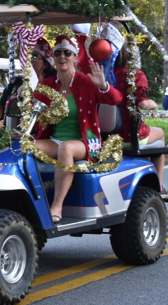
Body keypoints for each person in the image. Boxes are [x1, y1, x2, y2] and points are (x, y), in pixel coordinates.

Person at [33, 35, 122, 224]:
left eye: (67, 53)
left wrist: (103, 85)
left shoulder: (86, 82)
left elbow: (115, 100)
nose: (62, 57)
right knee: (25, 147)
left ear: (74, 57)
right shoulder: (47, 85)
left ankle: (57, 205)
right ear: (53, 58)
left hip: (84, 141)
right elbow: (32, 110)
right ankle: (31, 202)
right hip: (55, 140)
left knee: (65, 148)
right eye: (58, 53)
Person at [113, 51, 168, 194]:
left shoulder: (104, 74)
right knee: (160, 133)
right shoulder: (135, 75)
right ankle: (159, 186)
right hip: (129, 135)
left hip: (106, 137)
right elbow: (143, 104)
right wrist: (153, 104)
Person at [0, 37, 56, 122]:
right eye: (26, 55)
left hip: (35, 134)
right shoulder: (15, 82)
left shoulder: (51, 87)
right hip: (9, 132)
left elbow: (53, 116)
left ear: (45, 64)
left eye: (34, 56)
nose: (28, 60)